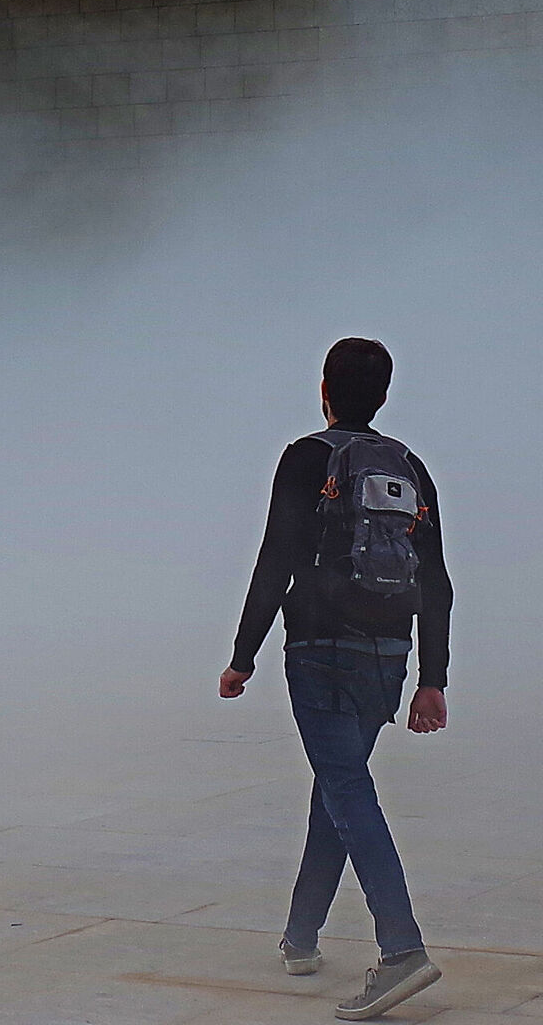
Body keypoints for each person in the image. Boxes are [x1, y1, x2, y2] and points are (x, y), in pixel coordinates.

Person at [222, 337, 453, 1021]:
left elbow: (276, 559)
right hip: (389, 657)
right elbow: (435, 581)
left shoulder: (306, 457)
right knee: (338, 785)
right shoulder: (408, 467)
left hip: (320, 651)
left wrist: (243, 656)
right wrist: (432, 677)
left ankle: (402, 949)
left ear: (324, 390)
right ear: (382, 395)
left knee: (347, 789)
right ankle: (301, 936)